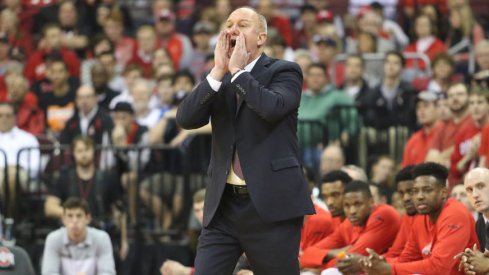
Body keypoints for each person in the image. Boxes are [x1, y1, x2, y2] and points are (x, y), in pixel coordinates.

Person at [175, 7, 315, 274]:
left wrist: (238, 71)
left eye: (242, 24)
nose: (232, 29)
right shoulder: (219, 78)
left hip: (270, 203)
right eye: (228, 24)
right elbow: (186, 119)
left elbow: (272, 108)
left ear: (261, 37)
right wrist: (218, 70)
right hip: (223, 205)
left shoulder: (284, 70)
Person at [361, 162, 479, 275]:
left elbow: (439, 268)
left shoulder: (455, 214)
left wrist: (389, 269)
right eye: (415, 191)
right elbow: (407, 259)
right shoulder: (420, 218)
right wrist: (376, 263)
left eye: (427, 190)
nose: (419, 197)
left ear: (443, 192)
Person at [300, 181, 401, 273]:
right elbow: (306, 255)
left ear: (371, 202)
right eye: (347, 206)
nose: (352, 211)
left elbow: (349, 260)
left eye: (358, 204)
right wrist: (335, 253)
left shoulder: (384, 213)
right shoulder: (349, 222)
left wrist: (319, 269)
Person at [42, 197, 116, 275]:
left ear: (88, 218)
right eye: (70, 216)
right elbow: (49, 272)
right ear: (63, 219)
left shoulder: (101, 239)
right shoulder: (54, 239)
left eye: (79, 216)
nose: (74, 221)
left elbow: (108, 272)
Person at [457, 167, 489, 275]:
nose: (475, 195)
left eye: (480, 186)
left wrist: (487, 265)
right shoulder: (480, 224)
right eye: (469, 190)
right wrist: (473, 265)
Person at [383, 166, 417, 259]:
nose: (406, 198)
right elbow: (395, 252)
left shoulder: (430, 216)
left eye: (411, 191)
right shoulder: (407, 218)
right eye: (401, 193)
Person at [402, 91, 441, 167]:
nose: (421, 110)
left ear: (437, 108)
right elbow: (405, 171)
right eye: (418, 107)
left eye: (426, 106)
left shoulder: (446, 134)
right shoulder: (413, 140)